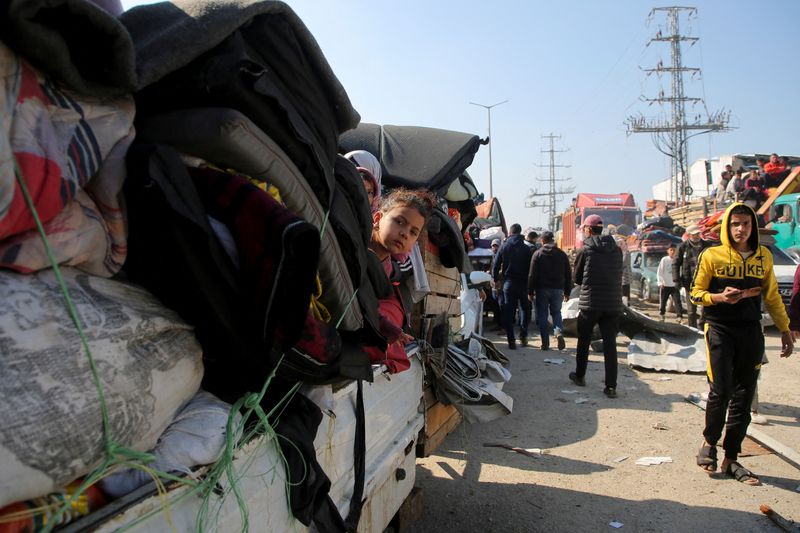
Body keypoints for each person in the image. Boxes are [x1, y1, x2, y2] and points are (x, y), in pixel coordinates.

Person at [692, 203, 795, 485]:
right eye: (735, 224)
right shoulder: (711, 255)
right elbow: (696, 295)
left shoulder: (764, 256)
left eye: (746, 224)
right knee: (721, 389)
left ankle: (731, 457)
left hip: (750, 331)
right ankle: (709, 443)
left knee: (744, 395)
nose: (740, 229)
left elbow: (772, 296)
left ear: (753, 227)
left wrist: (785, 329)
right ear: (727, 226)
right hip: (719, 329)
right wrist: (720, 297)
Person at [365, 187, 436, 373]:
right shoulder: (358, 249)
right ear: (377, 219)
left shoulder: (387, 265)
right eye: (399, 222)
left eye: (413, 232)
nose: (405, 233)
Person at [569, 214, 623, 398]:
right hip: (612, 304)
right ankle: (611, 387)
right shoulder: (617, 250)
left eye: (584, 229)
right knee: (610, 345)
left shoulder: (586, 249)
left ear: (589, 230)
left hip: (591, 303)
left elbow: (576, 278)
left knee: (584, 340)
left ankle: (580, 375)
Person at [528, 231, 572, 350]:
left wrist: (530, 292)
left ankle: (545, 343)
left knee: (542, 314)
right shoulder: (562, 254)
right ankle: (558, 333)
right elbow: (568, 274)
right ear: (554, 241)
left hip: (542, 289)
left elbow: (532, 275)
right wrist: (568, 291)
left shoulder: (538, 254)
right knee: (556, 313)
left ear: (542, 241)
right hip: (558, 289)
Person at [492, 223, 533, 349]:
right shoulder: (527, 249)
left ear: (510, 233)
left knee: (508, 311)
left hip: (508, 283)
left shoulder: (504, 246)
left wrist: (495, 279)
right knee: (525, 310)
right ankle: (523, 335)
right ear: (520, 233)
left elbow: (495, 265)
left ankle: (511, 340)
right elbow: (531, 269)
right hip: (523, 284)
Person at [672, 224, 709, 329]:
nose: (696, 236)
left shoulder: (706, 246)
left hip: (705, 280)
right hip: (690, 281)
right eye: (694, 234)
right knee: (691, 310)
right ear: (688, 235)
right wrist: (676, 280)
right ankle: (692, 329)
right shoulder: (682, 247)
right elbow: (675, 264)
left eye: (698, 234)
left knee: (705, 308)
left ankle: (702, 328)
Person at [657, 244, 684, 322]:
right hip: (665, 285)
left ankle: (679, 316)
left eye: (674, 250)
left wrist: (680, 282)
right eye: (671, 250)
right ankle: (662, 314)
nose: (672, 252)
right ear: (668, 251)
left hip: (675, 285)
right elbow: (660, 272)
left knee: (677, 301)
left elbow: (681, 271)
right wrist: (660, 282)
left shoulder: (678, 259)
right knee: (663, 301)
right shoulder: (664, 260)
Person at [606, 224, 631, 305]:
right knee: (622, 295)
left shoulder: (625, 251)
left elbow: (623, 262)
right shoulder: (619, 245)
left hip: (620, 276)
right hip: (620, 276)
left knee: (622, 295)